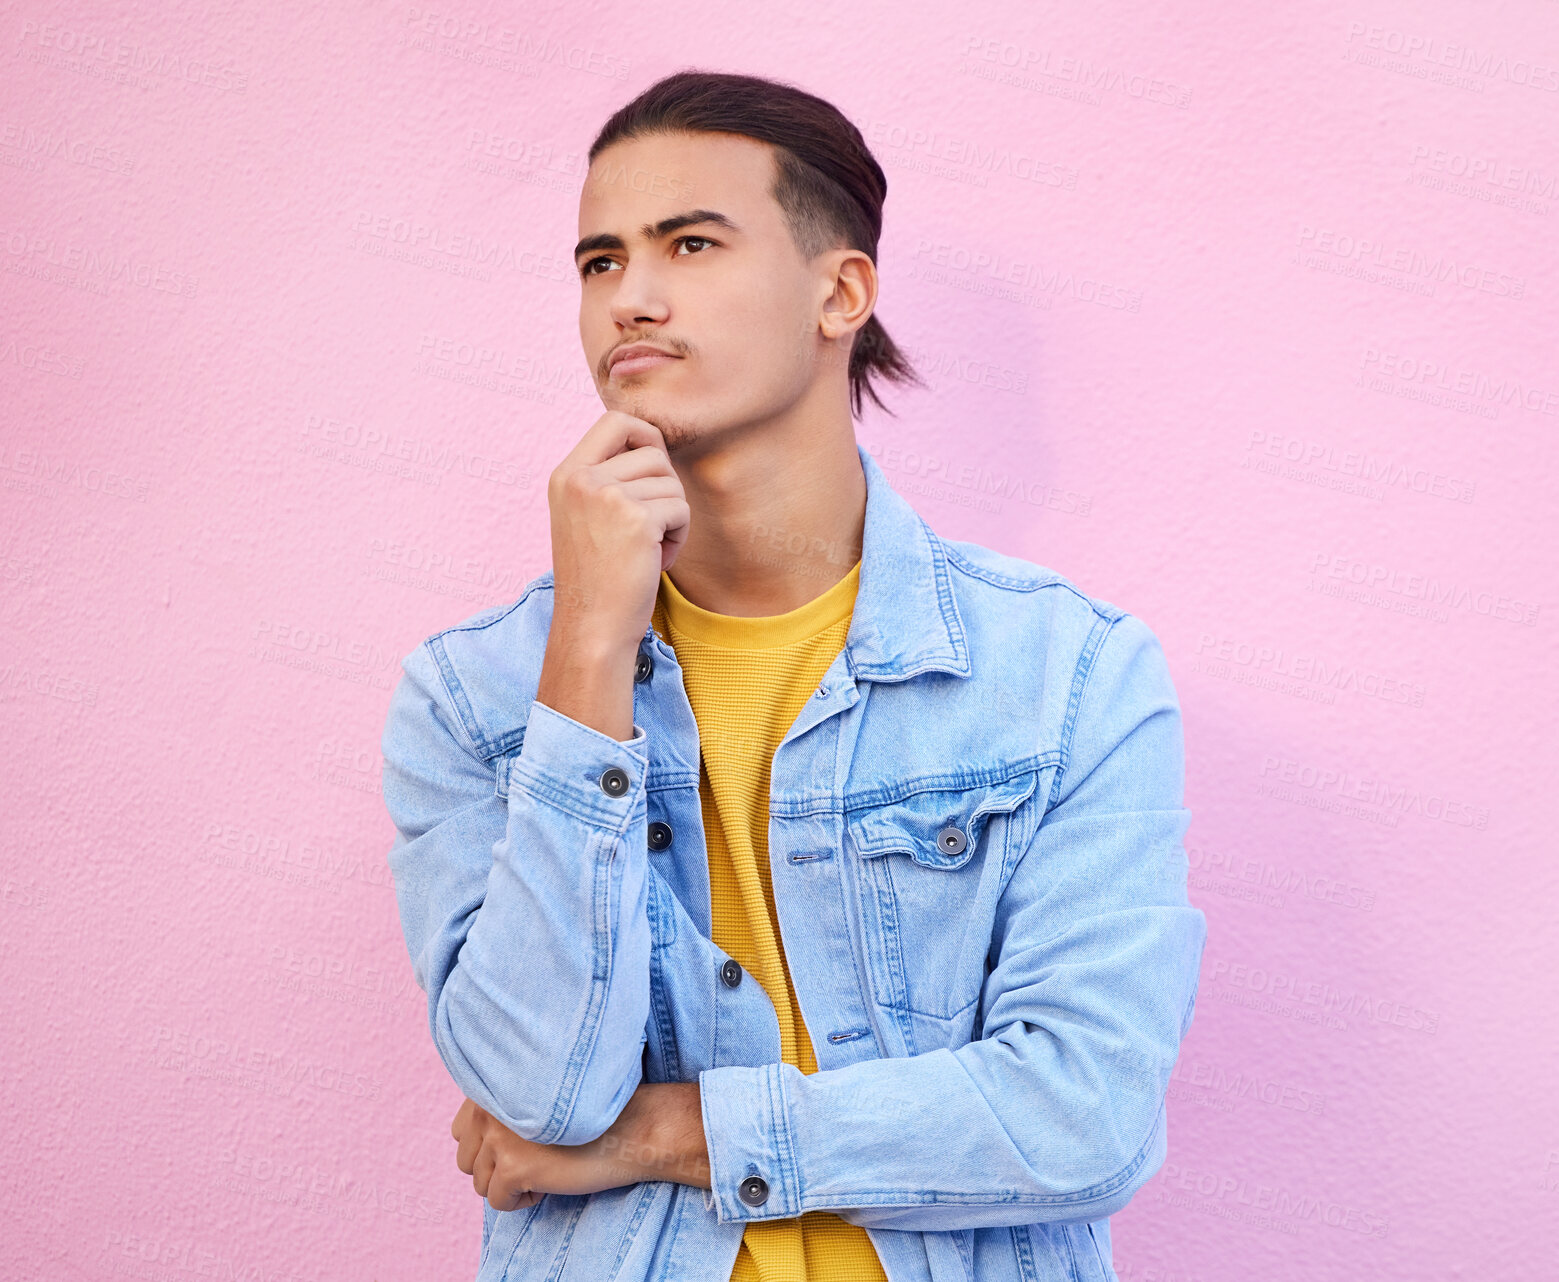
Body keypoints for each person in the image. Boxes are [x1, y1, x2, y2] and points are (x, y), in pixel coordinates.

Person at [380, 68, 1207, 1282]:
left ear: (840, 291)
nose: (633, 299)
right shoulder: (476, 697)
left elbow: (1083, 1114)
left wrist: (673, 1130)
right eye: (598, 261)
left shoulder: (1067, 678)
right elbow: (537, 1091)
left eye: (691, 243)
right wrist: (587, 659)